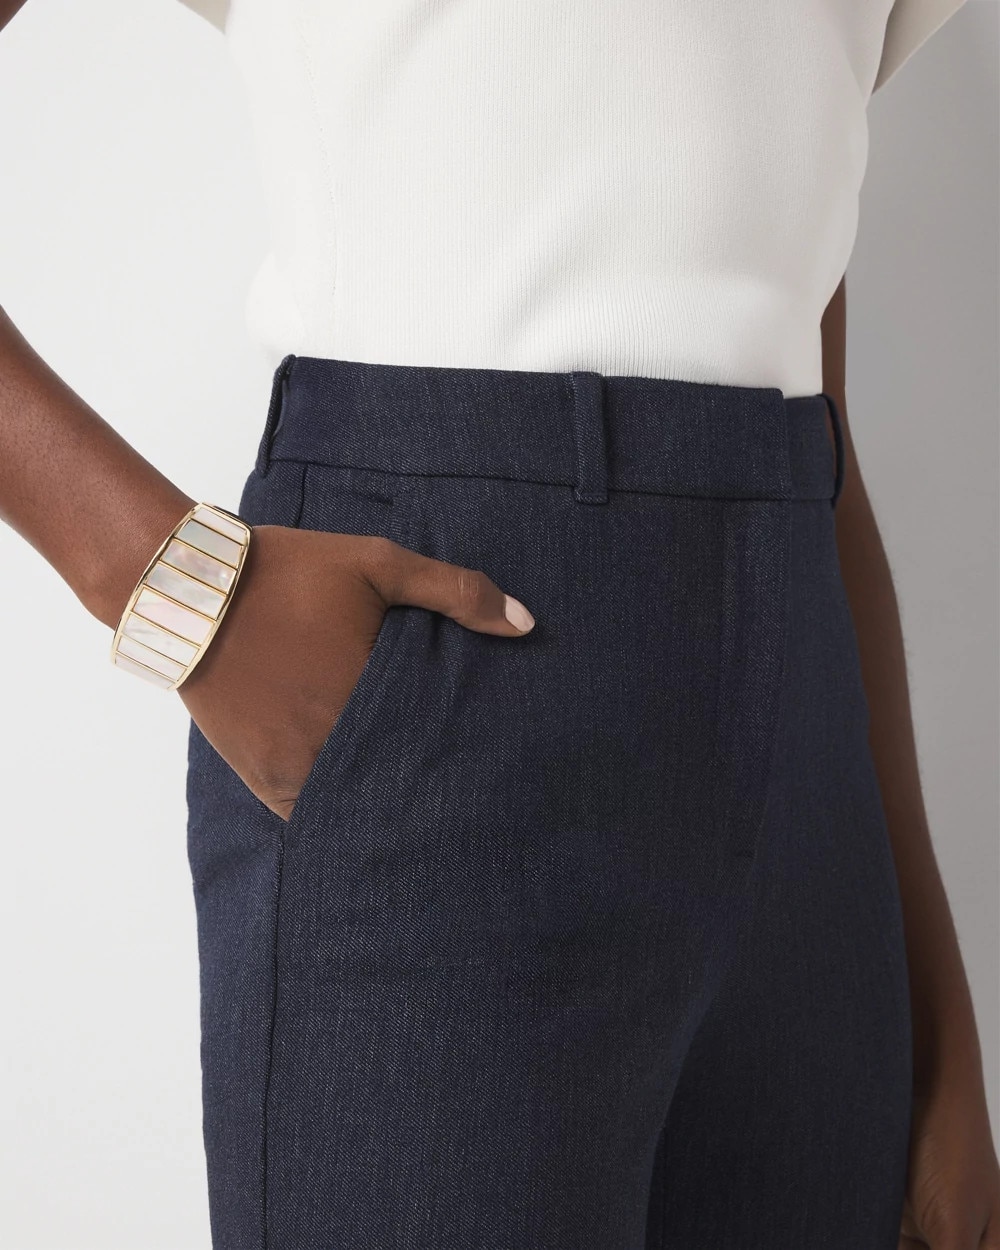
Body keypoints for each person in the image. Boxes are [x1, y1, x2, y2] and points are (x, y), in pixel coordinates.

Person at [1, 0, 996, 1246]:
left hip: (808, 796)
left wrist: (936, 1012)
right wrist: (165, 578)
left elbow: (799, 377)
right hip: (446, 686)